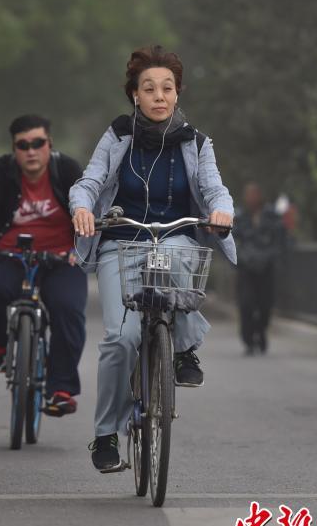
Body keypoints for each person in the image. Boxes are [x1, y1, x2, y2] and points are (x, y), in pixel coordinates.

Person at [69, 46, 236, 471]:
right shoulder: (117, 136)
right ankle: (106, 435)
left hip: (174, 237)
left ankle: (181, 348)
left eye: (167, 88)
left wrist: (222, 210)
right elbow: (89, 182)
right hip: (121, 242)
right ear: (135, 95)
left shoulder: (197, 142)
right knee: (120, 340)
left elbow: (214, 188)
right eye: (149, 89)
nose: (159, 96)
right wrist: (82, 208)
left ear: (177, 94)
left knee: (183, 257)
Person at [0, 114, 87, 417]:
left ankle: (61, 389)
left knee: (68, 309)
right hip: (9, 255)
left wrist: (82, 248)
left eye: (37, 143)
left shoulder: (68, 170)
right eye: (23, 145)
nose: (31, 151)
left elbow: (88, 208)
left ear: (49, 145)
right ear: (14, 149)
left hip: (61, 258)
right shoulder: (0, 171)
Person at [233, 182, 285, 355]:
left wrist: (269, 257)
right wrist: (241, 259)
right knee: (246, 304)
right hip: (246, 268)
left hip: (266, 268)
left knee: (265, 305)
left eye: (254, 194)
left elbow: (280, 241)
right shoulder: (240, 216)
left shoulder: (272, 216)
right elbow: (232, 241)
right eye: (249, 194)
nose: (252, 198)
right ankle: (249, 341)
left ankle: (261, 331)